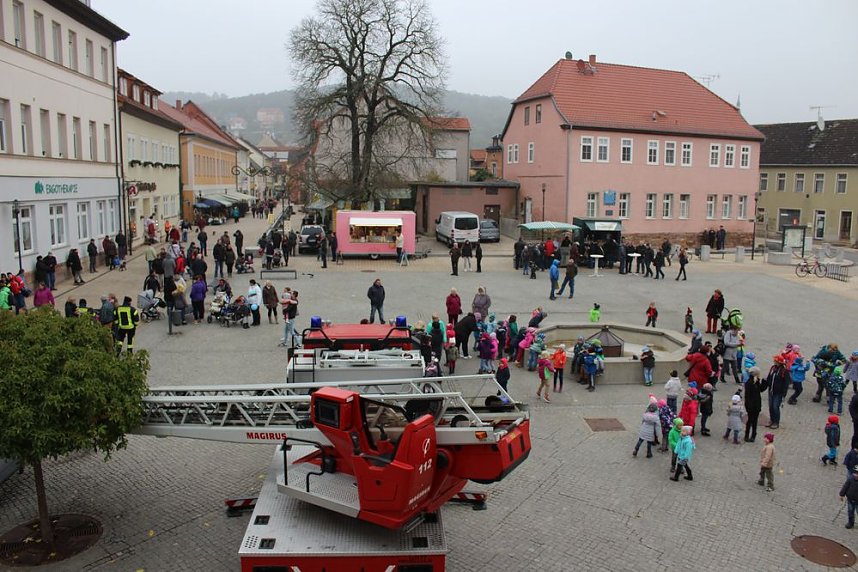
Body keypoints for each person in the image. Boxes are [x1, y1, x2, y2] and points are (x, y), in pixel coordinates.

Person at [766, 355, 791, 430]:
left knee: (775, 407)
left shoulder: (784, 371)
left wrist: (784, 394)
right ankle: (772, 420)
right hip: (771, 391)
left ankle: (776, 422)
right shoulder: (772, 368)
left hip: (778, 393)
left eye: (775, 361)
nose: (774, 361)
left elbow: (786, 384)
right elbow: (769, 378)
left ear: (779, 362)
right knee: (771, 406)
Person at [744, 367, 767, 442]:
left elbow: (761, 389)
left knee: (754, 421)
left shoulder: (756, 381)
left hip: (756, 404)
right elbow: (747, 396)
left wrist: (764, 382)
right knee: (750, 420)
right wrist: (749, 406)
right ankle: (747, 435)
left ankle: (753, 434)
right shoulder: (749, 383)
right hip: (751, 405)